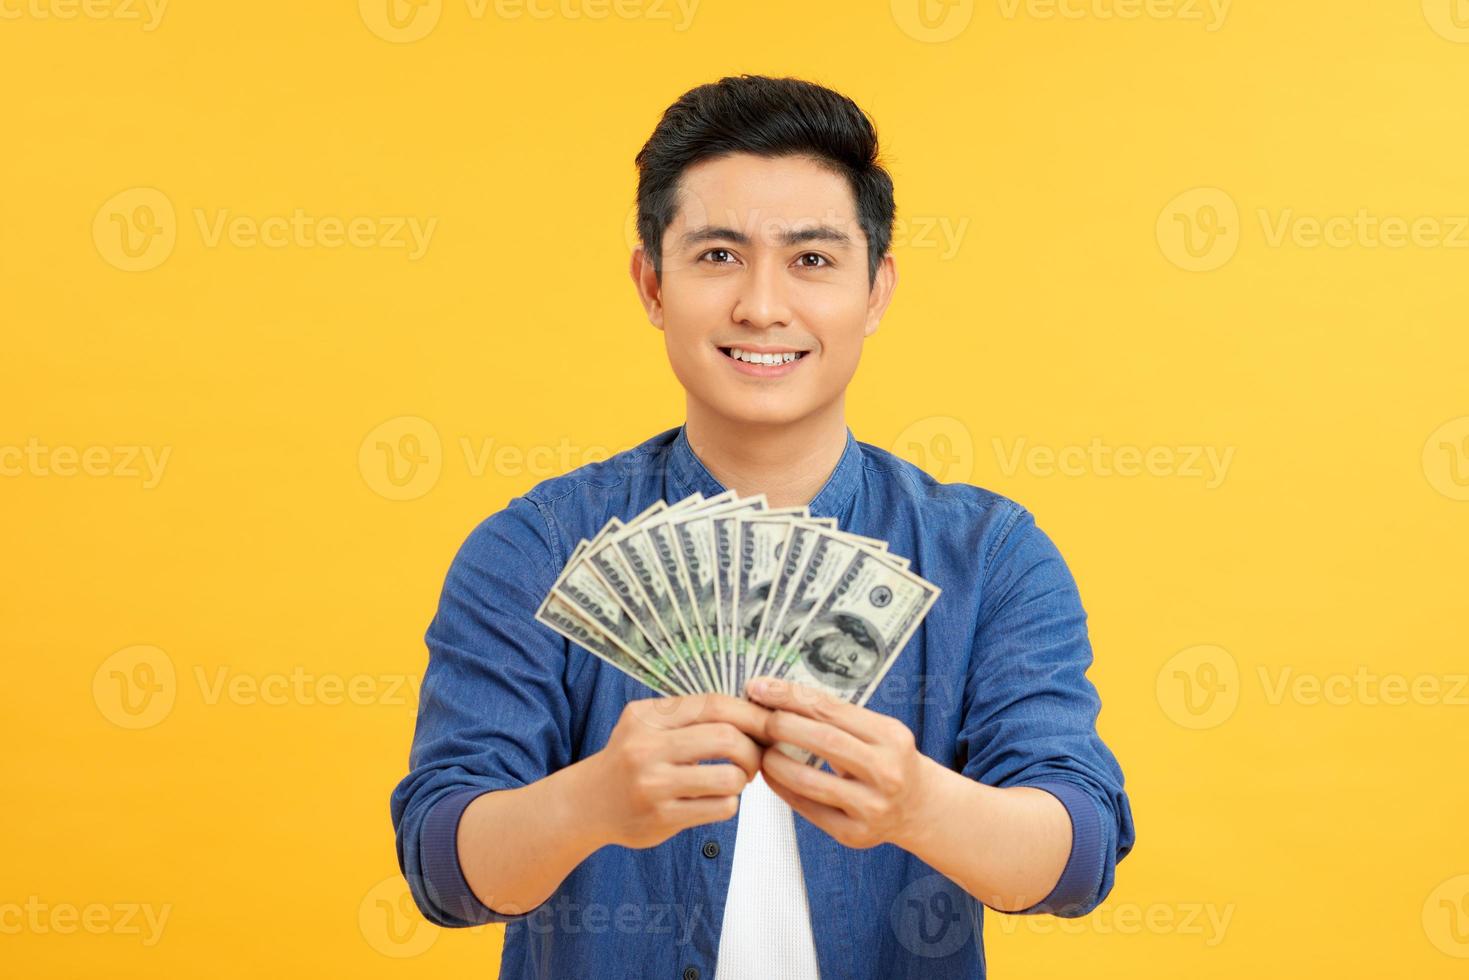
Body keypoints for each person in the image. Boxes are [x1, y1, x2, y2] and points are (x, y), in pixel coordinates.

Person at [389, 73, 1135, 980]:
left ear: (876, 291)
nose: (761, 306)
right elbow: (444, 866)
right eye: (717, 256)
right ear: (651, 284)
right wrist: (590, 802)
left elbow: (1077, 856)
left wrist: (915, 804)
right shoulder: (535, 548)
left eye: (812, 260)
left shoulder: (990, 556)